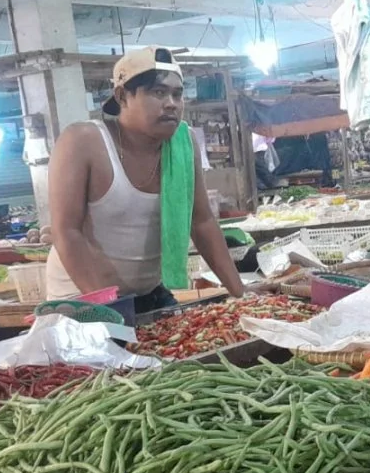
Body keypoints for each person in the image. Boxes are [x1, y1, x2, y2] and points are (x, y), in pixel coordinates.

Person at [46, 46, 244, 312]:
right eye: (158, 92)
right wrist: (110, 307)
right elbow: (66, 232)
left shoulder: (182, 143)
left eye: (177, 94)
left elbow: (202, 222)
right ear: (122, 96)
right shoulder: (83, 142)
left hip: (149, 293)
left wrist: (241, 294)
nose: (171, 103)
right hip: (82, 298)